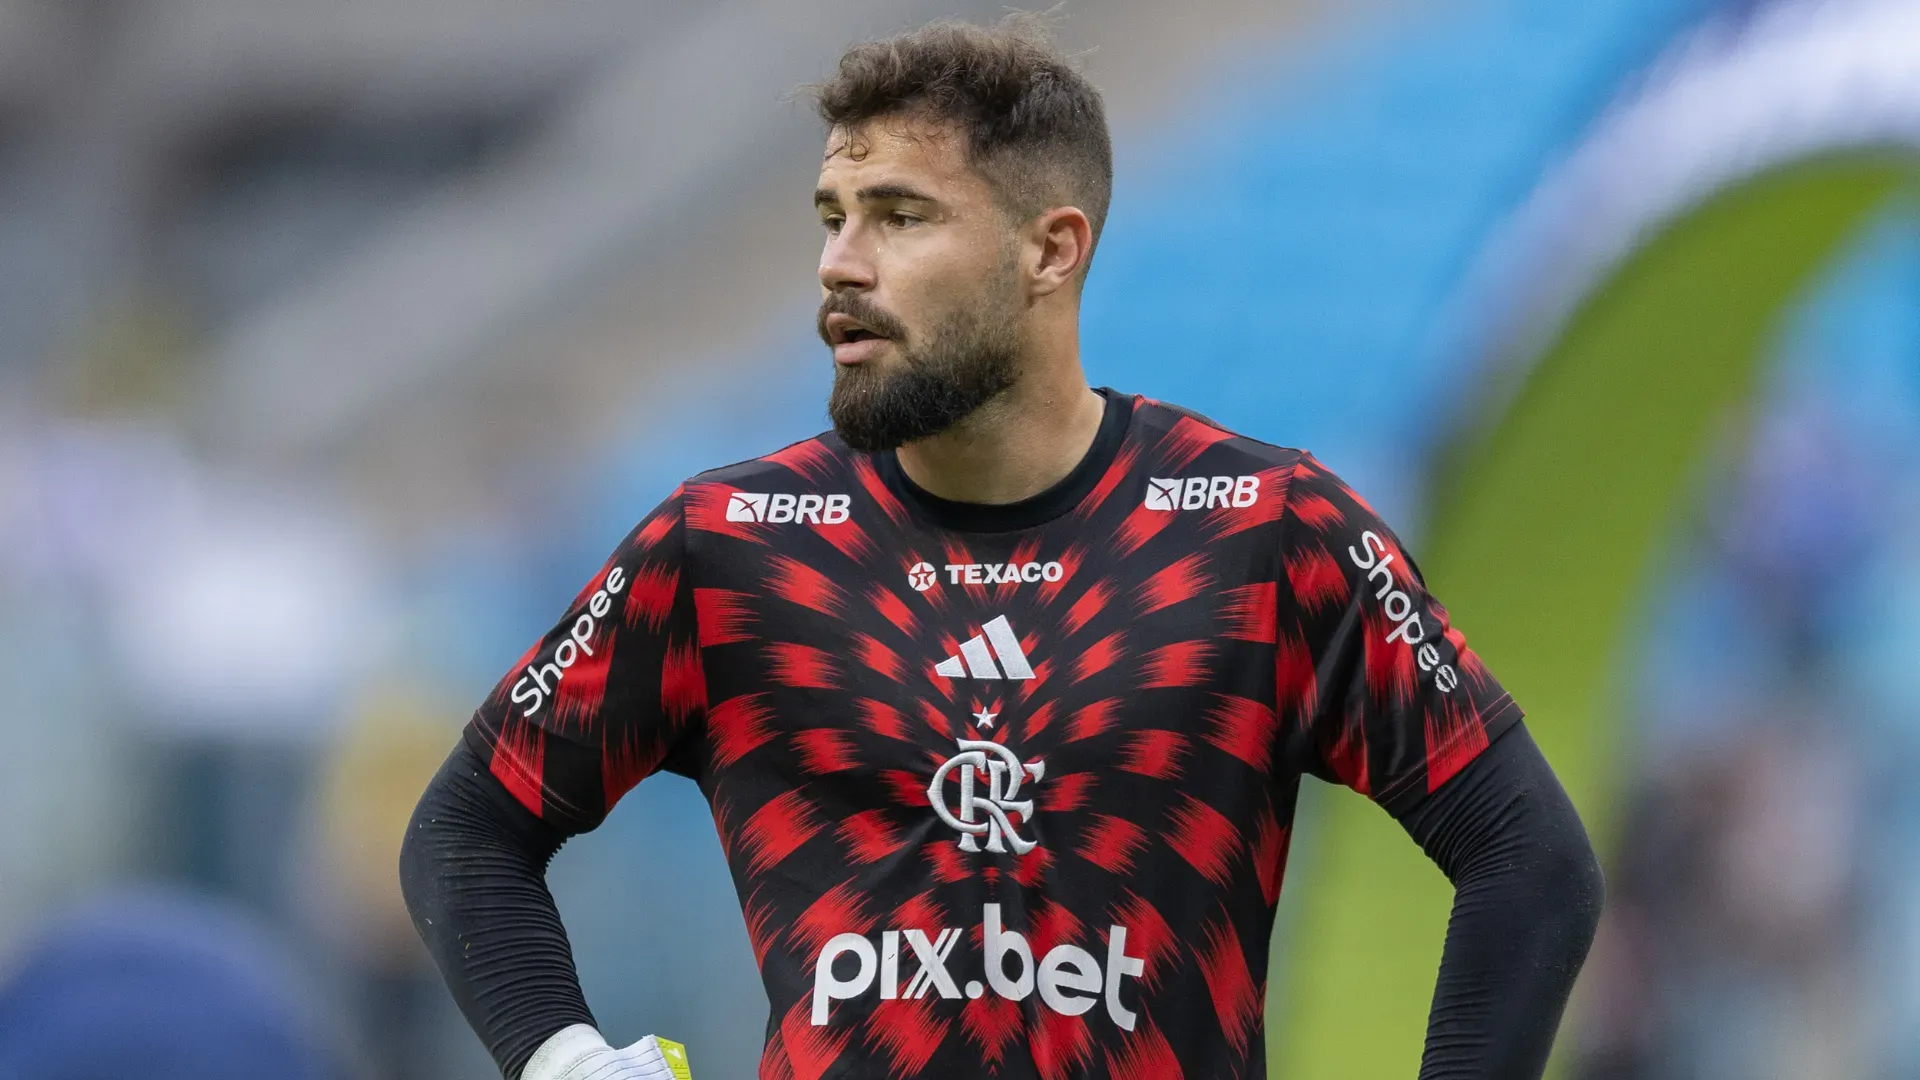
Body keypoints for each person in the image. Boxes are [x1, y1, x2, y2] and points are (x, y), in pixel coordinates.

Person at [400, 16, 1604, 1080]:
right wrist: (563, 1059)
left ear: (1051, 250)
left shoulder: (1264, 530)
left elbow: (1529, 861)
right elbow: (466, 831)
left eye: (901, 216)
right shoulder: (727, 548)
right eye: (832, 218)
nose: (840, 263)